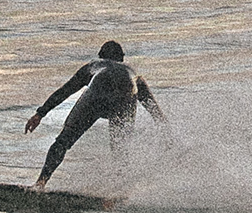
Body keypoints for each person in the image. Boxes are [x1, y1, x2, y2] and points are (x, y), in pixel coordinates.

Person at [23, 40, 165, 189]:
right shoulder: (133, 73)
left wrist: (40, 114)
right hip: (126, 95)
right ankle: (120, 191)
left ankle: (41, 183)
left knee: (62, 142)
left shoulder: (94, 65)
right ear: (122, 58)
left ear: (100, 55)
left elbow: (65, 91)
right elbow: (152, 106)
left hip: (97, 93)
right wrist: (164, 127)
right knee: (120, 151)